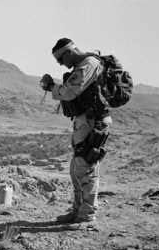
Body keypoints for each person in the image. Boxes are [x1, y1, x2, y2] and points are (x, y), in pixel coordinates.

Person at [40, 38, 113, 230]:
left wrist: (50, 86)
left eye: (60, 59)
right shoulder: (83, 65)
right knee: (77, 168)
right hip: (85, 121)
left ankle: (87, 217)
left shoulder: (90, 64)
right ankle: (78, 212)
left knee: (86, 168)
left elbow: (70, 91)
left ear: (69, 52)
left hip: (93, 122)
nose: (60, 64)